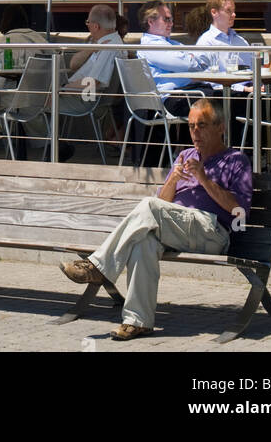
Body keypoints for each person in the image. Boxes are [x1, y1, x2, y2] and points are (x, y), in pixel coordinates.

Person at [60, 99, 252, 340]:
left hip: (212, 232)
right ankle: (137, 321)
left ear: (220, 127)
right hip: (177, 230)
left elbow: (240, 211)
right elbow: (164, 202)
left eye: (201, 125)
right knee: (143, 243)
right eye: (191, 125)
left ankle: (99, 267)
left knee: (148, 206)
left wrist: (203, 179)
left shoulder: (236, 161)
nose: (194, 132)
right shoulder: (185, 155)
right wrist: (173, 180)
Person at [138, 2, 212, 113]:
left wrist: (189, 59)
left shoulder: (171, 43)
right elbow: (191, 64)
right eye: (166, 19)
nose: (171, 23)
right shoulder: (151, 46)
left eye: (172, 20)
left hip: (187, 92)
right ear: (151, 22)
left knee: (227, 97)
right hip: (169, 99)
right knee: (224, 99)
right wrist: (189, 59)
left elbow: (195, 60)